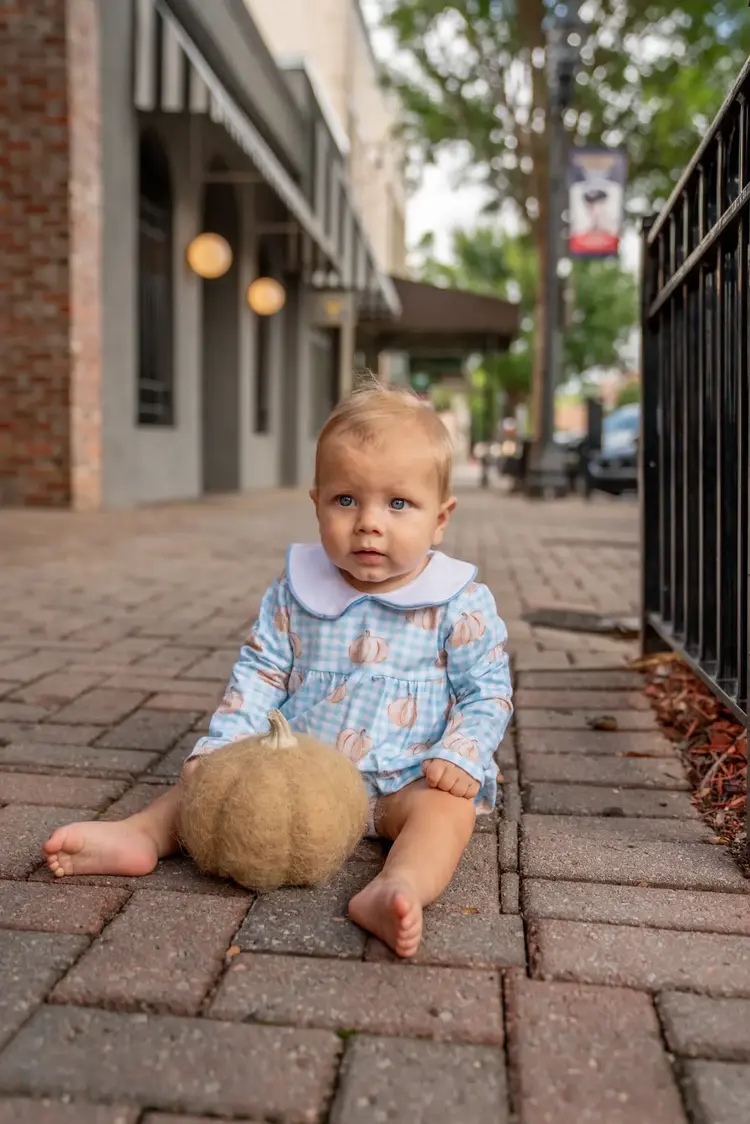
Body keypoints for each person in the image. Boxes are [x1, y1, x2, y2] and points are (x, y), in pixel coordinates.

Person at [44, 382, 513, 958]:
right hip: (298, 776)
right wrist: (223, 746)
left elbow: (486, 691)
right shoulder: (296, 592)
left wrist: (462, 753)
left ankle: (399, 886)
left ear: (440, 518)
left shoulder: (457, 602)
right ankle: (140, 835)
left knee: (448, 813)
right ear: (316, 503)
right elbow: (260, 673)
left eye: (397, 504)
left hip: (407, 779)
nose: (369, 523)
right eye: (346, 500)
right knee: (211, 790)